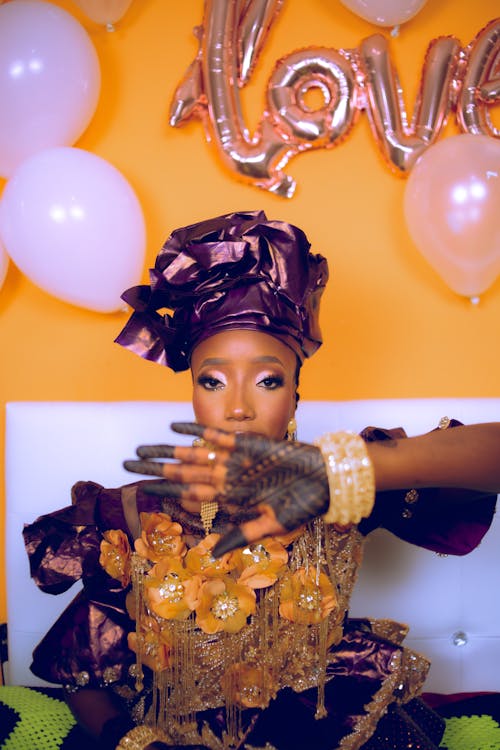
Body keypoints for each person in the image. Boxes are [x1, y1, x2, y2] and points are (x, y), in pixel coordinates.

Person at [23, 210, 500, 750]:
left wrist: (340, 472)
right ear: (193, 390)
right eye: (214, 380)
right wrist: (133, 740)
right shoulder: (131, 514)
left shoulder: (341, 483)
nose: (239, 407)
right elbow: (85, 679)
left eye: (268, 380)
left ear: (296, 391)